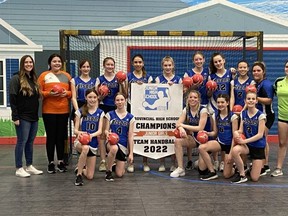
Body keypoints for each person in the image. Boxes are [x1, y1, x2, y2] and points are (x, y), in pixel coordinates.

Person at [9, 55, 43, 177]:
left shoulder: (33, 78)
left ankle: (29, 166)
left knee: (30, 142)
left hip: (33, 116)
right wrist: (15, 117)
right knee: (22, 141)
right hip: (22, 117)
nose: (29, 64)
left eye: (30, 62)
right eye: (26, 62)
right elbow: (12, 98)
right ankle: (19, 168)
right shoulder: (16, 78)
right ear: (22, 64)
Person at [38, 53, 72, 173]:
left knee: (61, 137)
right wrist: (49, 94)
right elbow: (39, 92)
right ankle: (51, 162)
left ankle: (61, 161)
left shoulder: (67, 76)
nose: (57, 63)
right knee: (51, 137)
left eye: (59, 61)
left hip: (63, 111)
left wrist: (66, 94)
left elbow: (72, 93)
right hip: (48, 111)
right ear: (50, 63)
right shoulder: (44, 76)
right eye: (54, 61)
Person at [95, 57, 127, 172]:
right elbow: (96, 98)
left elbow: (124, 95)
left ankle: (113, 159)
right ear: (104, 65)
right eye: (107, 64)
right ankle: (103, 161)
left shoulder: (118, 78)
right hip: (104, 107)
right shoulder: (99, 79)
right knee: (103, 135)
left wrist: (122, 84)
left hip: (115, 108)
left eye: (112, 64)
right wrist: (102, 95)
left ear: (114, 66)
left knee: (115, 134)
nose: (110, 66)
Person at [198, 94, 238, 181]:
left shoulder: (233, 117)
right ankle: (212, 172)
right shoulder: (215, 115)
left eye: (222, 102)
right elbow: (215, 133)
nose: (220, 104)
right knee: (202, 147)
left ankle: (235, 168)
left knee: (226, 175)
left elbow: (235, 137)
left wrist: (231, 153)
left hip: (230, 145)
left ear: (227, 103)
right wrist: (207, 133)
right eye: (218, 102)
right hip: (220, 142)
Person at [170, 90, 208, 178]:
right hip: (195, 138)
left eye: (195, 97)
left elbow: (200, 128)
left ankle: (202, 162)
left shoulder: (203, 110)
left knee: (201, 169)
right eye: (190, 97)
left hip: (206, 139)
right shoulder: (186, 109)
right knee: (178, 141)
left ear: (198, 100)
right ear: (187, 99)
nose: (192, 99)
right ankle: (180, 168)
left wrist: (183, 126)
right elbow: (178, 123)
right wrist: (181, 128)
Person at [231, 91, 266, 183]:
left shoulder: (261, 115)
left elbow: (260, 135)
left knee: (254, 178)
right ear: (245, 101)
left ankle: (252, 168)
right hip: (247, 145)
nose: (251, 101)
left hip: (258, 146)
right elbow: (241, 130)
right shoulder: (243, 114)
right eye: (248, 99)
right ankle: (242, 175)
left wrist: (244, 141)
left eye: (253, 99)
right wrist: (236, 133)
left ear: (256, 101)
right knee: (235, 150)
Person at [183, 51, 210, 170]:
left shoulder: (208, 72)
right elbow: (185, 91)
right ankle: (189, 160)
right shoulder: (188, 74)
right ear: (193, 61)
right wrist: (195, 86)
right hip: (192, 104)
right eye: (196, 59)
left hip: (204, 105)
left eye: (200, 59)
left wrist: (211, 89)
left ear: (204, 60)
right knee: (189, 132)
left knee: (204, 133)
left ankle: (206, 159)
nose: (198, 61)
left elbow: (209, 93)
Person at [155, 56, 182, 172]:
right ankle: (162, 163)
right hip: (161, 113)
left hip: (174, 113)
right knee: (162, 137)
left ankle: (174, 163)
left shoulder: (179, 80)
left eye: (169, 65)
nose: (167, 67)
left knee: (173, 136)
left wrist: (174, 88)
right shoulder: (158, 79)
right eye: (165, 65)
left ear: (173, 66)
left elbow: (182, 95)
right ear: (162, 66)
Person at [126, 54, 153, 172]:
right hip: (131, 105)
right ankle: (130, 163)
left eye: (140, 62)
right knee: (130, 134)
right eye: (135, 62)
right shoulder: (128, 76)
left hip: (144, 109)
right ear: (132, 63)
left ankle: (145, 162)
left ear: (143, 63)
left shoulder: (149, 77)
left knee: (144, 134)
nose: (138, 64)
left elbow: (153, 93)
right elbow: (124, 93)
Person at [208, 52, 234, 172]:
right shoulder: (211, 76)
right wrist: (210, 89)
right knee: (216, 134)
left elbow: (232, 91)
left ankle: (223, 161)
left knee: (226, 135)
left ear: (224, 60)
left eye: (219, 61)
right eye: (215, 62)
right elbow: (208, 95)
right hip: (214, 106)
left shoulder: (230, 73)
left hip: (226, 107)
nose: (218, 63)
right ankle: (216, 160)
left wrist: (231, 108)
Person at [74, 89, 104, 186]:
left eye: (94, 97)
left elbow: (100, 131)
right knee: (85, 148)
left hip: (93, 144)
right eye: (90, 97)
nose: (92, 99)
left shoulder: (100, 113)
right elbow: (75, 130)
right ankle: (78, 176)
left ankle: (81, 168)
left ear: (97, 98)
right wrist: (82, 133)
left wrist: (91, 135)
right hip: (81, 142)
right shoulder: (80, 111)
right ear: (86, 98)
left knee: (90, 176)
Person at [105, 93, 135, 181]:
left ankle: (114, 165)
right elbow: (105, 130)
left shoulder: (130, 117)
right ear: (114, 102)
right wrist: (107, 133)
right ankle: (109, 171)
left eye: (122, 100)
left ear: (125, 101)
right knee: (114, 148)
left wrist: (131, 153)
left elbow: (130, 136)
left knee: (120, 174)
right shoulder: (110, 114)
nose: (120, 102)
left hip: (123, 145)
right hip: (111, 143)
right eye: (117, 100)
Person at [252, 61, 274, 175]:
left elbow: (269, 100)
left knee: (263, 140)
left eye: (258, 70)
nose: (256, 72)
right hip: (260, 115)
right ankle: (262, 164)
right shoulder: (257, 83)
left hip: (267, 116)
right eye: (254, 71)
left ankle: (265, 165)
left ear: (263, 72)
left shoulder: (266, 84)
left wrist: (255, 97)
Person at [271, 60, 288, 177]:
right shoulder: (278, 82)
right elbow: (273, 94)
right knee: (282, 143)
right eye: (287, 67)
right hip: (283, 118)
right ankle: (278, 168)